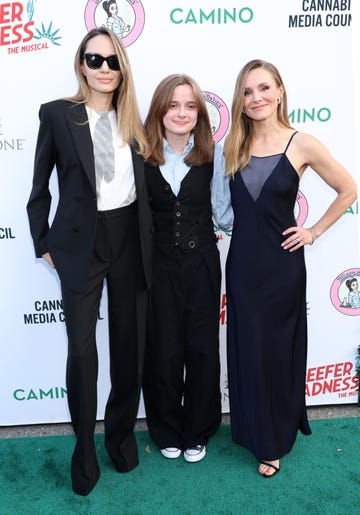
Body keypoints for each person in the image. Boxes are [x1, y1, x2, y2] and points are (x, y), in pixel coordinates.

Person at [26, 27, 153, 496]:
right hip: (80, 243)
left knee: (129, 347)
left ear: (122, 71)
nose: (104, 68)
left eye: (113, 61)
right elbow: (39, 184)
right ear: (81, 64)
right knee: (81, 352)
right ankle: (83, 453)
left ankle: (120, 441)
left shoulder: (135, 120)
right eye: (95, 59)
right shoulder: (58, 115)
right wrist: (42, 241)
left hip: (129, 241)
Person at [224, 59, 357, 477]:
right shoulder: (234, 145)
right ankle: (251, 429)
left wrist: (314, 231)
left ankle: (275, 439)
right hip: (242, 265)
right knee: (248, 349)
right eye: (248, 92)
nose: (256, 98)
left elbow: (348, 188)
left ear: (280, 91)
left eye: (264, 88)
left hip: (282, 267)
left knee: (278, 352)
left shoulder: (302, 144)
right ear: (241, 102)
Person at [142, 74, 233, 463]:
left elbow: (225, 213)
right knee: (162, 349)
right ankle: (165, 427)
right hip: (156, 266)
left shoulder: (214, 156)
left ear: (200, 113)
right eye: (173, 105)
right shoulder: (140, 154)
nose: (181, 113)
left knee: (201, 349)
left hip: (201, 263)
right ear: (160, 110)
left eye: (190, 106)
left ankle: (198, 429)